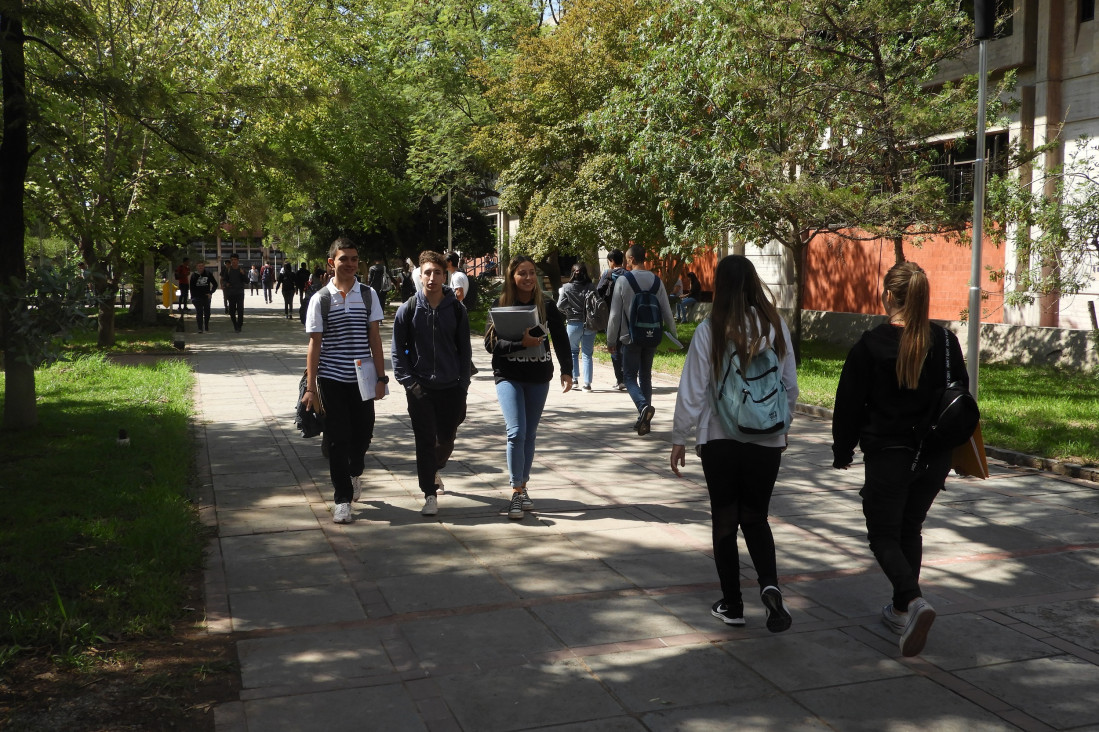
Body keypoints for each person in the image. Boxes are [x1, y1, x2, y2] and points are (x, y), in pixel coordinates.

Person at [831, 261, 965, 657]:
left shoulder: (872, 344)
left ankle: (913, 599)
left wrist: (843, 450)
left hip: (890, 457)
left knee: (883, 534)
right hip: (933, 455)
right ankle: (902, 610)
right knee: (910, 527)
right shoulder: (944, 343)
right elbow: (959, 395)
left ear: (889, 295)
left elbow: (848, 404)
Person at [670, 254, 797, 633]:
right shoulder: (776, 326)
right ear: (754, 282)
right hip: (767, 439)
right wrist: (781, 428)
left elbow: (693, 389)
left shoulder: (712, 328)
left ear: (722, 286)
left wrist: (679, 436)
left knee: (726, 521)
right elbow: (789, 385)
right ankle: (770, 586)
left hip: (720, 438)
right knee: (756, 517)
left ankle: (733, 604)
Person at [301, 238, 387, 524]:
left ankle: (355, 471)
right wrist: (311, 388)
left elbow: (374, 337)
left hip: (363, 378)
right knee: (338, 439)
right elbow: (315, 345)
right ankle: (342, 499)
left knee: (363, 434)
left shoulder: (368, 295)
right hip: (332, 378)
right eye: (343, 259)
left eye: (354, 258)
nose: (350, 264)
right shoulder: (321, 299)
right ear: (331, 263)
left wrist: (381, 377)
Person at [486, 256, 573, 519]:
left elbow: (560, 338)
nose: (528, 278)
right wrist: (521, 344)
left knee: (530, 434)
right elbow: (491, 346)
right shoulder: (501, 305)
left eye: (531, 273)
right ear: (512, 277)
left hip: (538, 376)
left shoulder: (546, 305)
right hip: (508, 375)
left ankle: (523, 485)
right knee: (516, 432)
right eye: (522, 273)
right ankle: (515, 491)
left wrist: (567, 370)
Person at [391, 251, 472, 517]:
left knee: (446, 439)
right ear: (420, 275)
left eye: (437, 272)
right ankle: (429, 493)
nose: (432, 277)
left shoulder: (457, 310)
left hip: (451, 387)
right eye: (427, 272)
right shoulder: (409, 309)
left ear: (444, 275)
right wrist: (409, 383)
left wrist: (462, 385)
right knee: (425, 442)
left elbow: (465, 351)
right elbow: (397, 351)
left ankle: (434, 468)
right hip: (421, 388)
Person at [606, 244, 677, 436]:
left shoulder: (623, 280)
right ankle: (644, 421)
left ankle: (643, 407)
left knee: (629, 376)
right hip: (652, 336)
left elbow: (614, 315)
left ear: (630, 259)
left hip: (630, 337)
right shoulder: (656, 280)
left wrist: (610, 340)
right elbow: (666, 311)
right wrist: (673, 335)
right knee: (646, 375)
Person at [557, 262, 596, 392]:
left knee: (573, 352)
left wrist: (569, 310)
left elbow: (559, 305)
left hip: (573, 323)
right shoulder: (591, 286)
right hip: (590, 323)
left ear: (572, 273)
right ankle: (587, 383)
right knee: (587, 353)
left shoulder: (566, 287)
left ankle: (574, 380)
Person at [596, 249, 628, 391]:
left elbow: (598, 292)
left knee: (613, 346)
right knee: (626, 347)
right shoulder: (629, 275)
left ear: (612, 261)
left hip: (611, 315)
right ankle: (629, 378)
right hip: (627, 316)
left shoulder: (608, 274)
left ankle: (619, 380)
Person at [189, 261, 218, 333]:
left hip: (206, 296)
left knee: (207, 313)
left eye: (202, 266)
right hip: (197, 297)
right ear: (197, 267)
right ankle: (200, 328)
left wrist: (210, 293)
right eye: (199, 266)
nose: (200, 267)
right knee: (199, 312)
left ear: (204, 266)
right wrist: (192, 297)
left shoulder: (208, 274)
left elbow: (215, 284)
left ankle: (206, 325)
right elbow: (191, 287)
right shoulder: (194, 275)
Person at [223, 254, 247, 331]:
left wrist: (243, 274)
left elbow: (247, 281)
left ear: (238, 260)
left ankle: (239, 325)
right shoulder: (228, 270)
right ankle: (235, 324)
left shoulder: (241, 269)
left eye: (235, 260)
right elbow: (224, 280)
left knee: (240, 310)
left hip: (240, 292)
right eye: (232, 260)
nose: (234, 261)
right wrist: (226, 284)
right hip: (231, 293)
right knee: (231, 311)